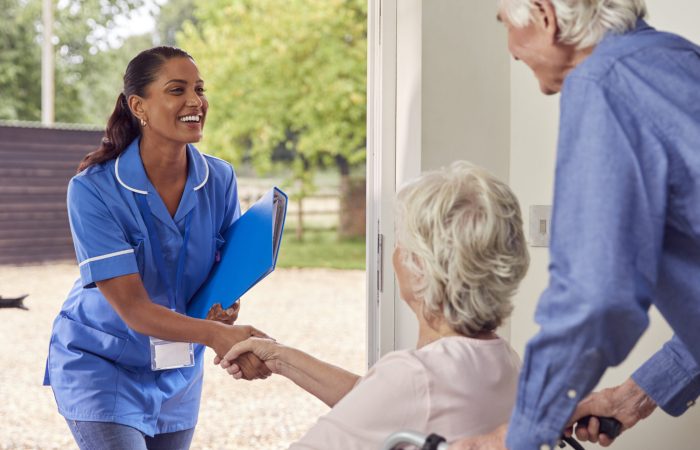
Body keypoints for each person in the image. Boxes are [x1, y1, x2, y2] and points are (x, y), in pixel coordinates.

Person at [449, 1, 700, 449]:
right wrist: (634, 396)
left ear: (545, 16)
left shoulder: (602, 82)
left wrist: (518, 437)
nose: (510, 51)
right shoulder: (674, 58)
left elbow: (594, 295)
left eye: (505, 25)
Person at [43, 46, 271, 450]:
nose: (195, 101)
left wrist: (224, 311)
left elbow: (223, 276)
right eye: (176, 89)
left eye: (199, 89)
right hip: (101, 365)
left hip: (177, 371)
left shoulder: (219, 178)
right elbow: (134, 309)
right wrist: (217, 336)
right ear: (139, 106)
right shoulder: (93, 189)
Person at [218, 161, 530, 449]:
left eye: (400, 242)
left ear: (421, 267)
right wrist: (280, 358)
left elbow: (391, 401)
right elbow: (379, 406)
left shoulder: (415, 376)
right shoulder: (505, 361)